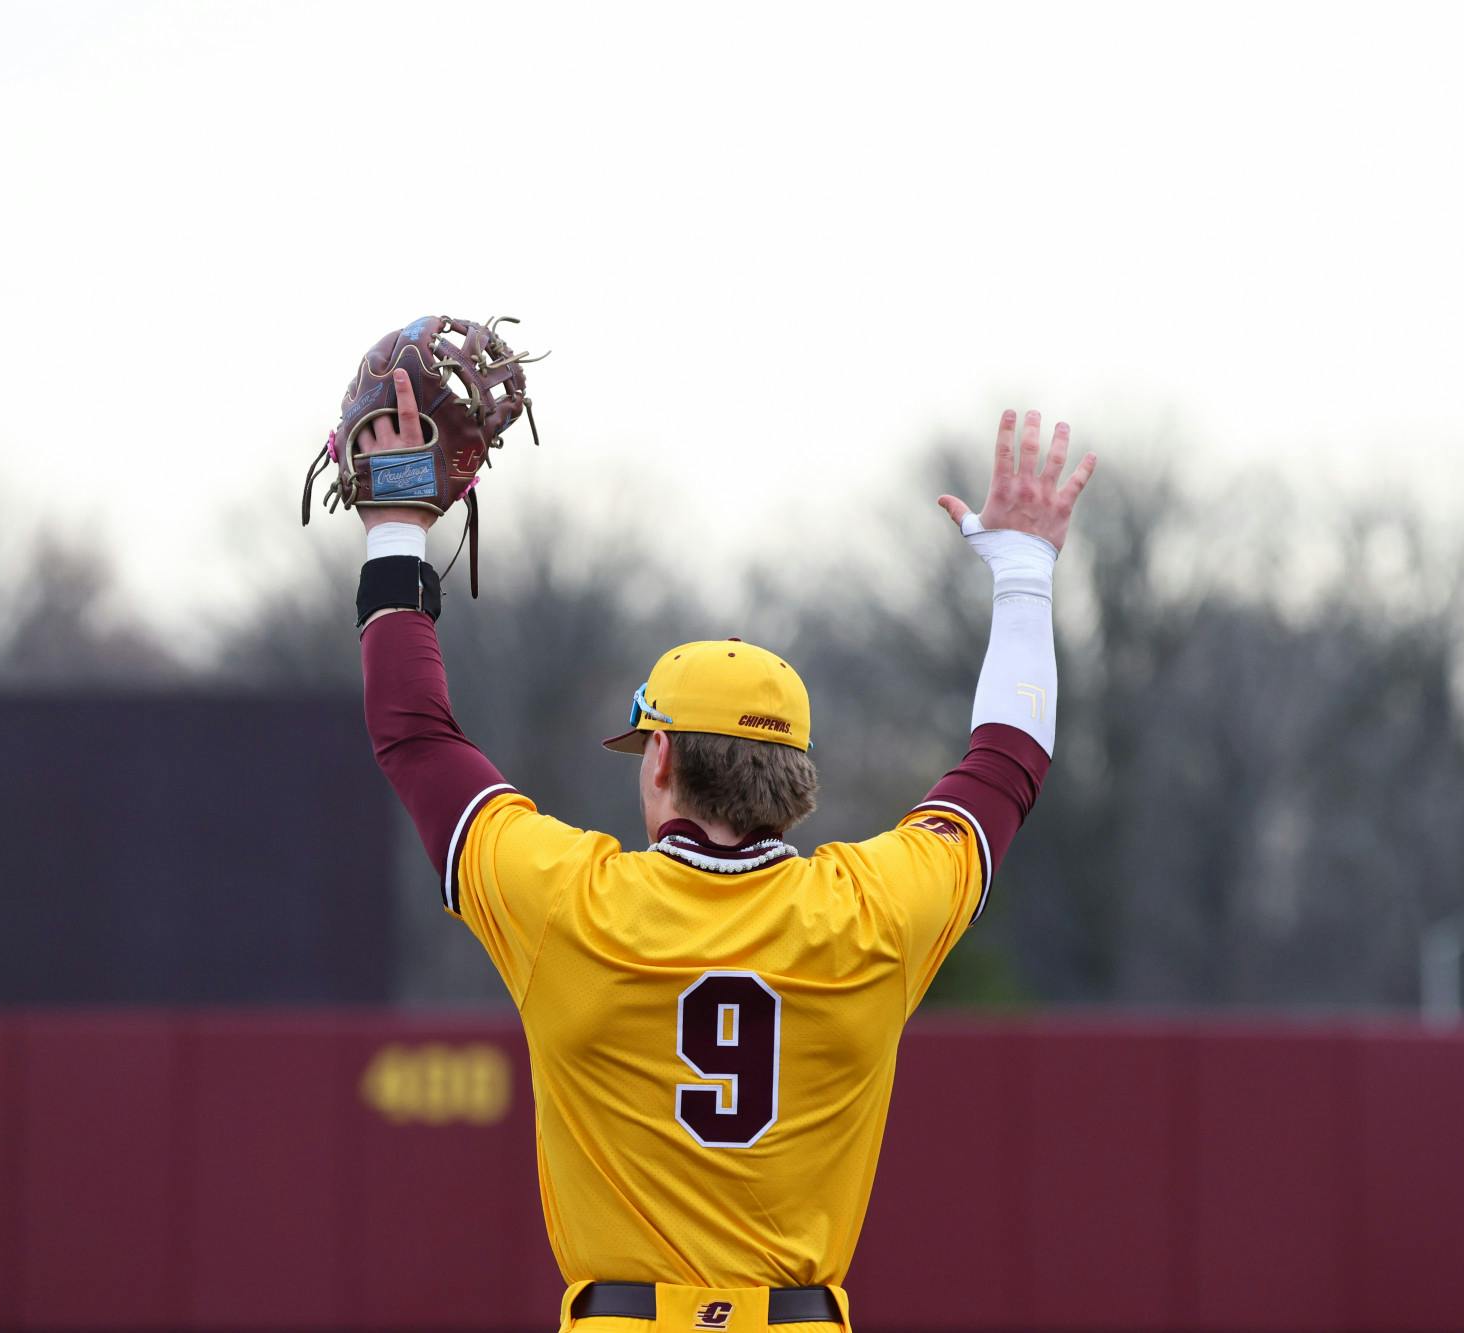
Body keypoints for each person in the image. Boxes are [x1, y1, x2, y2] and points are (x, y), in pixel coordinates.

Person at [354, 369, 1094, 1332]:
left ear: (661, 756)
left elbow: (414, 732)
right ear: (796, 775)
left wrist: (397, 521)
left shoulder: (572, 903)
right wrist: (1025, 570)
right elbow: (1008, 760)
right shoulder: (871, 913)